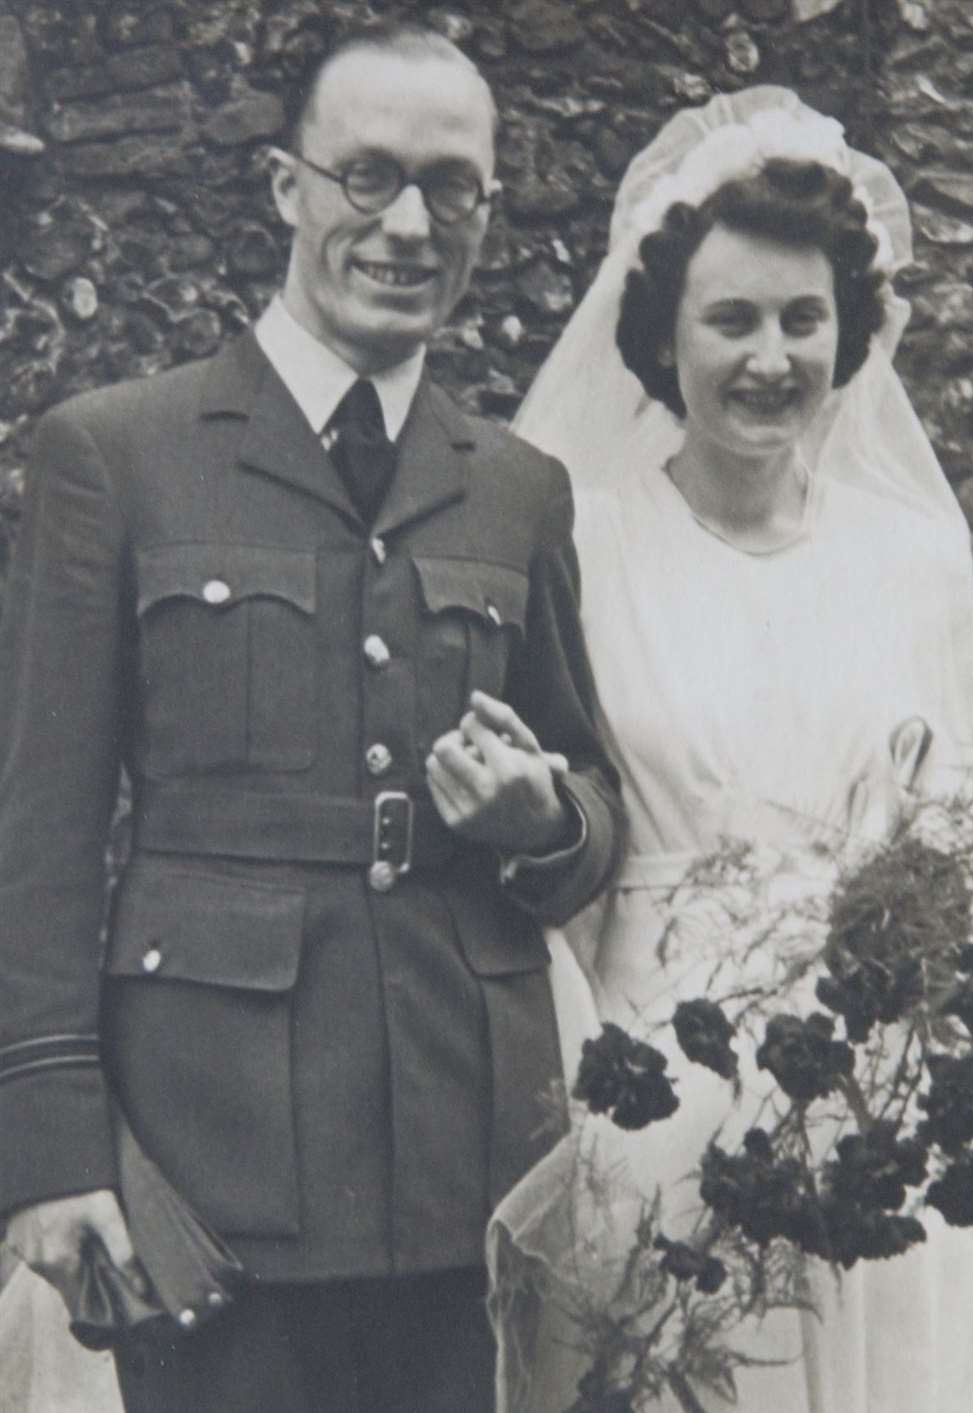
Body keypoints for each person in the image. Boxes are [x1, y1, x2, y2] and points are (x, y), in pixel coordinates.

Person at [0, 22, 622, 1413]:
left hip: (471, 1155)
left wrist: (543, 819)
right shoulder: (119, 453)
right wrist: (45, 1146)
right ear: (287, 188)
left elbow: (593, 809)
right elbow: (33, 829)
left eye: (451, 188)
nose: (409, 225)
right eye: (369, 177)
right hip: (213, 1152)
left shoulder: (518, 485)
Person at [490, 87, 973, 1413]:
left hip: (873, 1093)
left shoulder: (913, 554)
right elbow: (560, 840)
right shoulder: (585, 542)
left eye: (801, 318)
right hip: (649, 1089)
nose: (770, 355)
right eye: (732, 319)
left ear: (848, 331)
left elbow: (964, 833)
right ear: (665, 335)